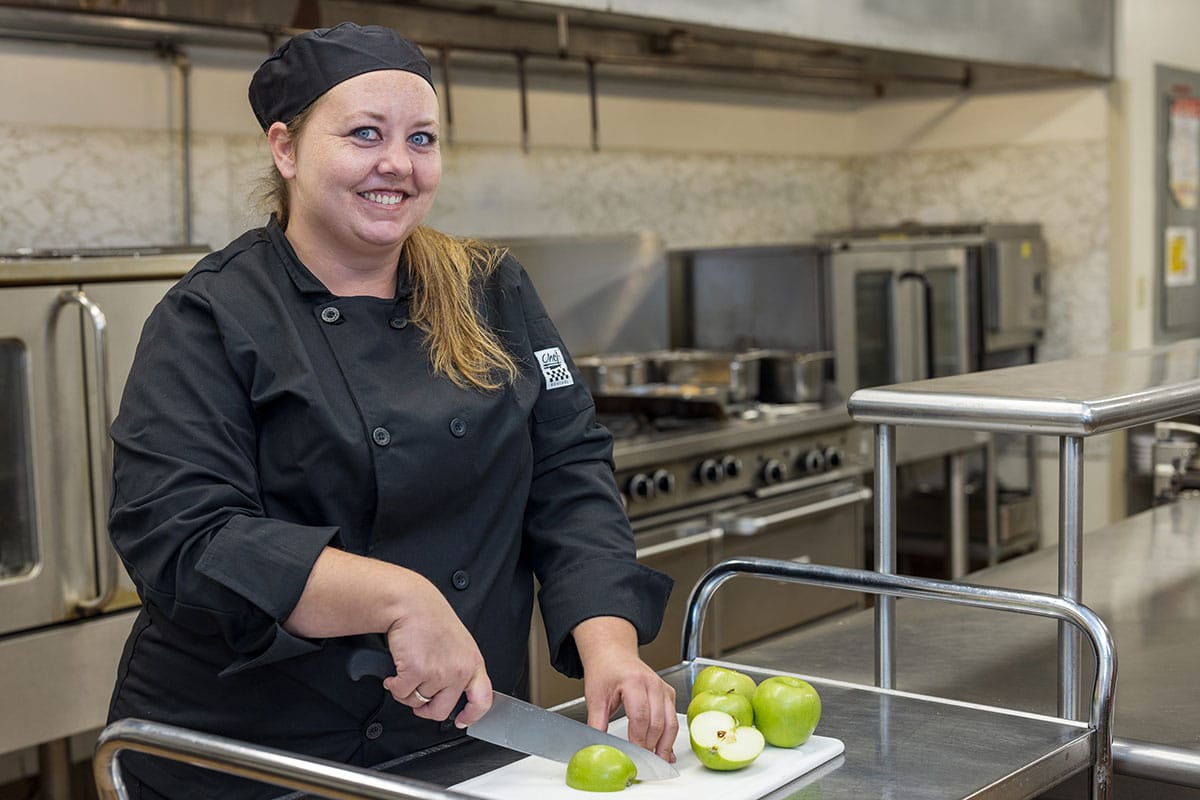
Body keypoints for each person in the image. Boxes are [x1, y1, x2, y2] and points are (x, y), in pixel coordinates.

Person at [105, 21, 677, 799]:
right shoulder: (212, 315)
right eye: (364, 134)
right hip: (252, 753)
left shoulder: (491, 289)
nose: (397, 165)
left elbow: (568, 468)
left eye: (422, 139)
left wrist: (608, 643)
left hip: (455, 733)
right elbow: (182, 535)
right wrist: (399, 596)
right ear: (285, 149)